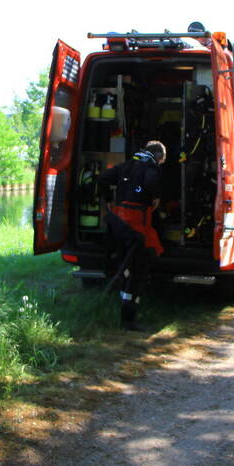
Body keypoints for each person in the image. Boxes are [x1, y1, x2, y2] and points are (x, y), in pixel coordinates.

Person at [98, 140, 166, 330]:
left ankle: (124, 308)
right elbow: (151, 181)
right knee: (139, 271)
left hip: (119, 225)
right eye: (162, 162)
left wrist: (109, 200)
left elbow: (103, 178)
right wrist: (155, 196)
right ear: (159, 157)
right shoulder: (150, 167)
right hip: (137, 227)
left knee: (125, 266)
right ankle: (129, 318)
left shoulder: (125, 166)